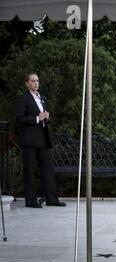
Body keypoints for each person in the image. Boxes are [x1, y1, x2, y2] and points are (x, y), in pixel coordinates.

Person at [15, 73, 65, 208]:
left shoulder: (43, 98)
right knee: (30, 171)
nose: (36, 83)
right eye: (32, 81)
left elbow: (44, 117)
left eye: (37, 81)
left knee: (48, 169)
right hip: (29, 140)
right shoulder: (23, 99)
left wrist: (46, 118)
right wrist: (37, 118)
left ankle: (52, 199)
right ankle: (31, 201)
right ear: (27, 83)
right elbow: (19, 119)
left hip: (43, 138)